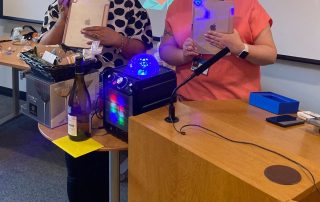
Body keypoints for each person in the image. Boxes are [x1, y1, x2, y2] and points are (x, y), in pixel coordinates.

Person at [39, 0, 153, 201]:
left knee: (103, 169)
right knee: (77, 170)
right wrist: (63, 20)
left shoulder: (128, 5)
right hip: (73, 99)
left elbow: (142, 51)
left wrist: (118, 40)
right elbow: (43, 52)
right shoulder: (62, 5)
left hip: (114, 99)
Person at [159, 0, 277, 101]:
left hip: (236, 104)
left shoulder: (248, 5)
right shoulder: (177, 6)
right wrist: (183, 55)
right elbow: (165, 50)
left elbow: (270, 55)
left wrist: (240, 48)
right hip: (187, 100)